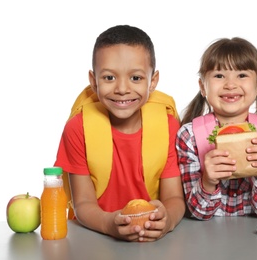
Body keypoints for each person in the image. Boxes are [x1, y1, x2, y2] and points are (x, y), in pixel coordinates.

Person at [54, 25, 185, 241]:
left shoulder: (168, 125)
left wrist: (167, 220)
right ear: (93, 81)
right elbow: (83, 204)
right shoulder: (78, 127)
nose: (122, 89)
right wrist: (109, 224)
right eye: (108, 78)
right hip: (94, 238)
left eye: (136, 78)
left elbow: (174, 198)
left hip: (153, 244)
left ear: (152, 81)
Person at [176, 37, 257, 220]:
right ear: (202, 86)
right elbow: (198, 213)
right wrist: (208, 181)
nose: (230, 84)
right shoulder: (189, 135)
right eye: (219, 76)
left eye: (242, 75)